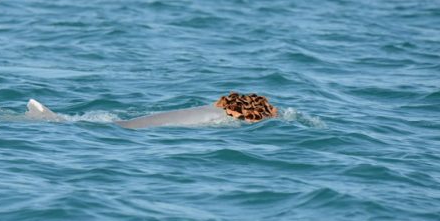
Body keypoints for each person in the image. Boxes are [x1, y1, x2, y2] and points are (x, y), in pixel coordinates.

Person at [26, 92, 277, 129]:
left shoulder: (213, 108)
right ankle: (51, 121)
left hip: (119, 124)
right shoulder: (221, 118)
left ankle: (52, 120)